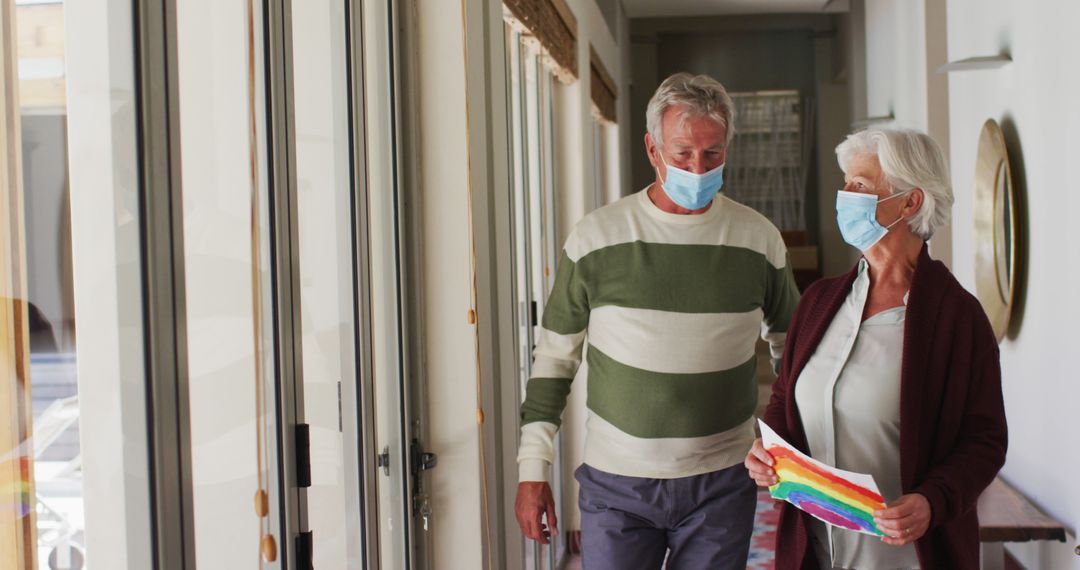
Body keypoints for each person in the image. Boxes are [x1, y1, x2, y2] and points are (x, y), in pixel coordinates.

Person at [514, 72, 800, 569]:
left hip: (723, 482)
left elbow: (794, 355)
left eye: (712, 154)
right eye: (682, 152)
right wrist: (532, 468)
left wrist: (791, 444)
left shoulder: (759, 239)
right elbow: (555, 360)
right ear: (652, 149)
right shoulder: (596, 239)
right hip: (616, 483)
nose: (697, 167)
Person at [745, 128, 1008, 569]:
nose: (845, 195)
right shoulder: (819, 301)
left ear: (910, 202)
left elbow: (985, 441)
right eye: (846, 182)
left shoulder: (957, 318)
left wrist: (931, 500)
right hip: (812, 550)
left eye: (861, 185)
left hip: (905, 557)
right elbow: (783, 397)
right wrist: (768, 449)